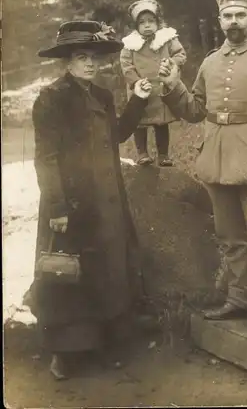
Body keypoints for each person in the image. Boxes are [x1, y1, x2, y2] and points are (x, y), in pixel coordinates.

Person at [158, 0, 247, 337]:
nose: (233, 21)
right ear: (219, 20)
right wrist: (173, 86)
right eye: (227, 16)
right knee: (231, 238)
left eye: (240, 15)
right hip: (218, 161)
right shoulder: (210, 62)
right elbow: (194, 111)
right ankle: (240, 299)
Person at [29, 20, 152, 380]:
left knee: (109, 274)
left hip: (108, 202)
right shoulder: (51, 98)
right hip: (71, 207)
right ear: (66, 61)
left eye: (94, 58)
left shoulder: (103, 96)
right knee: (66, 277)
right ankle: (64, 354)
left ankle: (107, 344)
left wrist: (138, 101)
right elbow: (46, 157)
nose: (90, 64)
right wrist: (57, 207)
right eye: (82, 57)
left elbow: (116, 136)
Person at [120, 0, 186, 166]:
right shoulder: (130, 44)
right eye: (142, 22)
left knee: (161, 123)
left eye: (151, 21)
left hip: (160, 88)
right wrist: (135, 82)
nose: (147, 25)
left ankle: (163, 155)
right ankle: (142, 153)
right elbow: (126, 65)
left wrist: (172, 63)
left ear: (158, 22)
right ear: (136, 26)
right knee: (139, 122)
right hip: (141, 89)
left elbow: (180, 55)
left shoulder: (168, 39)